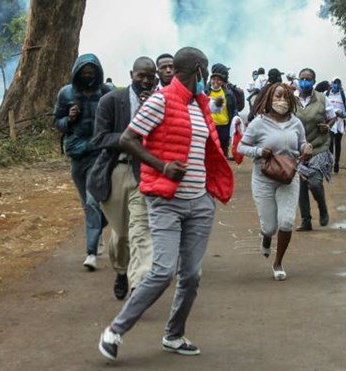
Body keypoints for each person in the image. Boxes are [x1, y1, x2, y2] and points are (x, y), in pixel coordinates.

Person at [98, 47, 234, 361]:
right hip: (166, 202)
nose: (207, 77)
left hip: (199, 203)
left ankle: (174, 335)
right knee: (162, 272)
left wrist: (210, 190)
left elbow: (207, 149)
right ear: (198, 70)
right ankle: (115, 330)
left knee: (191, 275)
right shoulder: (160, 100)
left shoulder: (200, 105)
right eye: (206, 70)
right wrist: (162, 166)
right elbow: (128, 139)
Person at [89, 57, 156, 300]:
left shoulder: (160, 103)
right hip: (116, 170)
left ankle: (139, 284)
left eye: (150, 77)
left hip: (146, 173)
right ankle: (121, 271)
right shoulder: (111, 101)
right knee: (122, 234)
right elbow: (99, 139)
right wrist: (130, 140)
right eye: (141, 76)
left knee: (141, 229)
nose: (146, 81)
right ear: (131, 74)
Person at [238, 83, 312, 280]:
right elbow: (240, 147)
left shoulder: (296, 122)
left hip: (289, 177)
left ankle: (278, 262)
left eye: (286, 98)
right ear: (269, 100)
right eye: (277, 97)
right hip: (264, 178)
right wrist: (258, 151)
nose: (282, 102)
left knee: (286, 222)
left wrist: (306, 147)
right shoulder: (258, 123)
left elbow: (302, 142)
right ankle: (266, 236)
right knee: (270, 227)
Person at [54, 53, 111, 271]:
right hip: (77, 154)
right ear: (77, 73)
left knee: (92, 201)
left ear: (98, 73)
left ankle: (91, 252)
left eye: (92, 72)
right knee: (88, 205)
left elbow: (117, 117)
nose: (88, 76)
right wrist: (69, 118)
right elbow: (57, 122)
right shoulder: (66, 93)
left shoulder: (106, 93)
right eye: (84, 72)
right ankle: (99, 229)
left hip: (99, 153)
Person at [295, 68, 336, 231]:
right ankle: (306, 220)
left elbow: (332, 117)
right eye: (302, 78)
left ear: (313, 81)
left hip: (319, 146)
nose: (305, 81)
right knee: (301, 186)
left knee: (314, 182)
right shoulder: (292, 99)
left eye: (308, 78)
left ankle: (322, 207)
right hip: (298, 149)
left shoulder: (322, 99)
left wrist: (328, 125)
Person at [326, 77, 346, 173]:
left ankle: (336, 162)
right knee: (329, 143)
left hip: (340, 122)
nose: (336, 84)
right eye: (334, 82)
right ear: (331, 83)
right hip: (330, 121)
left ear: (340, 84)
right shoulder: (327, 94)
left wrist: (344, 115)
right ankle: (330, 162)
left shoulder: (344, 95)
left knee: (337, 142)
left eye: (338, 83)